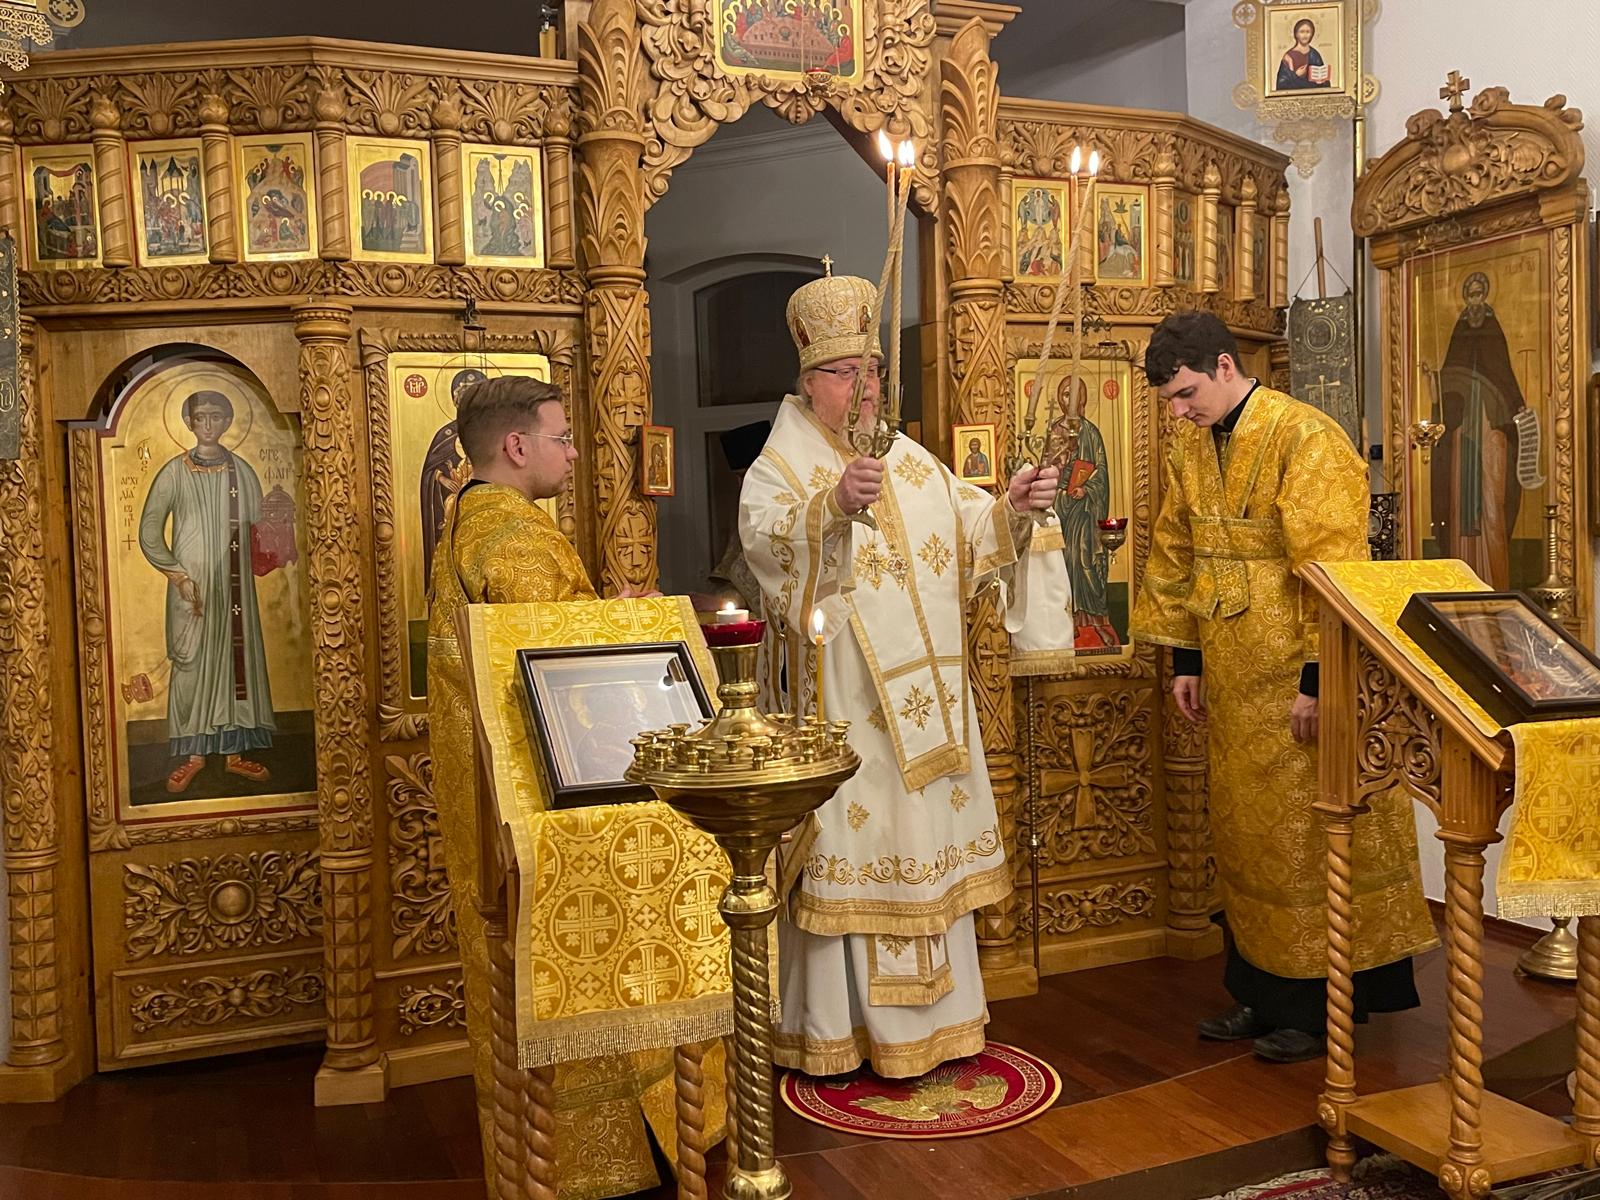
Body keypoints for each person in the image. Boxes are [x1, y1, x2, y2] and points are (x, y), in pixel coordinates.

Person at [740, 272, 1066, 1079]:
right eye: (846, 373)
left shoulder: (908, 458)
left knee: (922, 845)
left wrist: (1014, 506)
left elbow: (971, 532)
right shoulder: (778, 467)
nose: (865, 387)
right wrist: (830, 510)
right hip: (844, 713)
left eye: (874, 370)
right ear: (809, 381)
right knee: (858, 848)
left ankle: (939, 1027)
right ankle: (835, 1032)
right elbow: (769, 548)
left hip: (929, 723)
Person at [1131, 311, 1436, 1064]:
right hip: (1233, 678)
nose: (1179, 411)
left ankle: (1322, 1008)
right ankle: (1261, 996)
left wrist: (1319, 678)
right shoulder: (1192, 446)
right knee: (1246, 838)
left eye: (1187, 393)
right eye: (1171, 399)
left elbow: (1335, 570)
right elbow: (1175, 548)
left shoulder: (1307, 438)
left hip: (1299, 681)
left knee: (1311, 840)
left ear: (1227, 367)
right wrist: (1188, 661)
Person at [426, 376, 695, 1198]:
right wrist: (642, 625)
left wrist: (603, 614)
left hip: (493, 805)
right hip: (550, 814)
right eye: (561, 438)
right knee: (583, 986)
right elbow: (564, 686)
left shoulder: (467, 524)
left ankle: (537, 1167)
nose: (572, 453)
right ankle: (603, 1168)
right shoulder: (515, 538)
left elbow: (532, 651)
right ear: (517, 447)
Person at [138, 390, 276, 795]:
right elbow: (149, 529)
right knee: (193, 663)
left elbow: (259, 532)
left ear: (228, 421)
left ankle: (233, 753)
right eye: (201, 417)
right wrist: (178, 574)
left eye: (217, 416)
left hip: (234, 590)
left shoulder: (242, 471)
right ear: (190, 422)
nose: (209, 424)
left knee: (236, 663)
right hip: (190, 590)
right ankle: (193, 756)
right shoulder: (173, 472)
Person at [1431, 271, 1526, 589]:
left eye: (1478, 294)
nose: (1474, 300)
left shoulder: (1493, 331)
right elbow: (1449, 378)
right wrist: (1440, 391)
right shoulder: (1460, 331)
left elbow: (1504, 374)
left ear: (1484, 296)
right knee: (1459, 505)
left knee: (1491, 502)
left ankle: (1494, 579)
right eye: (1469, 294)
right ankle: (1460, 578)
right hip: (1461, 436)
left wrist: (1514, 405)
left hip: (1490, 431)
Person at [1050, 378, 1119, 650]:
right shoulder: (1053, 430)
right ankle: (1068, 621)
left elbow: (1101, 471)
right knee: (1064, 561)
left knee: (1085, 560)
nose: (1070, 400)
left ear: (1084, 399)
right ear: (1059, 398)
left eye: (1075, 394)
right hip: (1059, 509)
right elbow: (1045, 467)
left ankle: (1095, 622)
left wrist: (1087, 489)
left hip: (1086, 513)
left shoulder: (1091, 432)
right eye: (1065, 394)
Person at [1276, 18, 1330, 90]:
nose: (1305, 35)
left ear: (1312, 34)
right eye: (1302, 32)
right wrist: (1296, 75)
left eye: (1308, 32)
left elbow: (1324, 82)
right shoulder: (1288, 56)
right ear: (1296, 34)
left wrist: (1323, 81)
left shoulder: (1314, 54)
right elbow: (1281, 84)